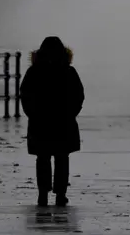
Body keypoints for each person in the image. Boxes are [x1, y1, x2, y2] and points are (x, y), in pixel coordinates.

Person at [20, 36, 85, 206]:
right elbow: (78, 96)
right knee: (62, 158)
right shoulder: (69, 72)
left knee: (42, 158)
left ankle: (43, 193)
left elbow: (25, 95)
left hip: (40, 122)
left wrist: (32, 114)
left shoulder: (33, 72)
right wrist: (71, 114)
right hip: (64, 122)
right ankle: (60, 194)